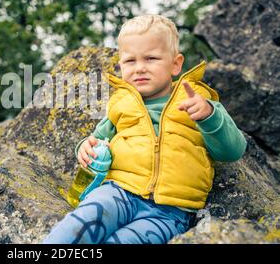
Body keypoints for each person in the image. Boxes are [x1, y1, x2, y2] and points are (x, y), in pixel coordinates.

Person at [42, 14, 247, 244]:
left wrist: (208, 116)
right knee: (80, 224)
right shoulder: (122, 104)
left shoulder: (197, 101)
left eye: (151, 58)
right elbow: (97, 140)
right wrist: (85, 148)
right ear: (120, 66)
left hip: (169, 212)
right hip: (116, 192)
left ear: (176, 64)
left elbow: (233, 150)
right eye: (130, 61)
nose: (139, 68)